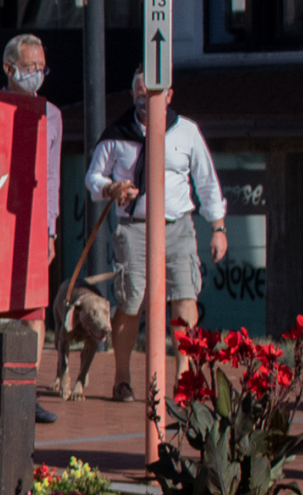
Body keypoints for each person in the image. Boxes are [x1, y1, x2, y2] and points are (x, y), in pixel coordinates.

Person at [86, 68, 227, 402]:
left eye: (152, 91)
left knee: (185, 296)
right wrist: (111, 187)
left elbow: (206, 181)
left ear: (169, 95)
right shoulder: (116, 134)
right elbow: (93, 177)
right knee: (132, 299)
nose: (144, 98)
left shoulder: (186, 132)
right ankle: (122, 378)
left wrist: (218, 228)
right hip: (133, 227)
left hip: (177, 225)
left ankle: (183, 377)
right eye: (139, 91)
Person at [0, 34, 62, 425]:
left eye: (41, 67)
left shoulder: (51, 114)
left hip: (34, 224)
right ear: (9, 69)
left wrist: (51, 228)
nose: (36, 74)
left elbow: (52, 176)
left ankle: (25, 390)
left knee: (34, 311)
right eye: (29, 67)